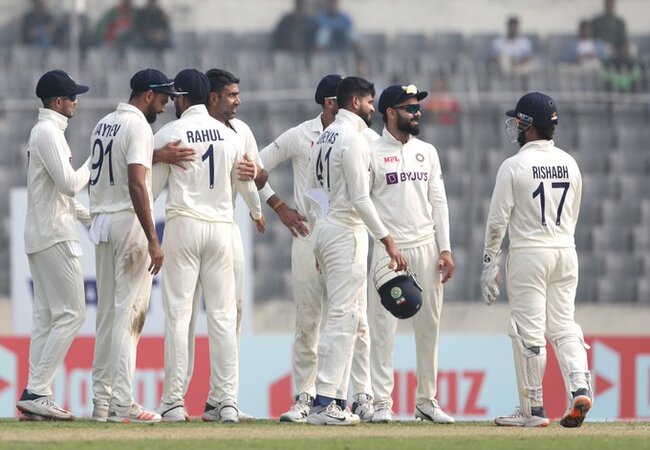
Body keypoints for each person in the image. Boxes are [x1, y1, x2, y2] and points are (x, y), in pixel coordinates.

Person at [258, 74, 375, 423]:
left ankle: (361, 396)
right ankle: (306, 396)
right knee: (309, 319)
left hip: (340, 231)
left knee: (357, 319)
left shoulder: (361, 137)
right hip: (309, 235)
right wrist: (279, 207)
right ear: (331, 103)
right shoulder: (301, 135)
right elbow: (253, 165)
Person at [152, 69, 264, 423]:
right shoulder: (230, 135)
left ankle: (173, 402)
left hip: (184, 226)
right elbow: (247, 181)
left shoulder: (170, 132)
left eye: (175, 97)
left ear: (184, 99)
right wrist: (257, 211)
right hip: (220, 228)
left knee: (179, 315)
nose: (172, 102)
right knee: (223, 317)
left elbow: (151, 188)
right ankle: (225, 402)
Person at [481, 92, 592, 428]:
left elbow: (498, 220)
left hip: (530, 253)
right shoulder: (570, 163)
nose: (515, 126)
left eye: (518, 121)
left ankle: (534, 410)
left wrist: (489, 264)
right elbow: (573, 214)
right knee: (564, 326)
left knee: (528, 332)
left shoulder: (513, 165)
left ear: (528, 126)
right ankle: (580, 388)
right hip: (565, 250)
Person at [304, 76, 406, 426]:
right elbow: (361, 199)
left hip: (327, 227)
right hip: (346, 230)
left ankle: (351, 399)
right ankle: (325, 402)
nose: (372, 107)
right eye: (367, 101)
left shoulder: (326, 135)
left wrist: (318, 236)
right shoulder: (354, 139)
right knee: (343, 318)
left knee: (355, 318)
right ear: (353, 102)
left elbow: (310, 190)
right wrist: (388, 240)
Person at [88, 68, 178, 423]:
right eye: (162, 97)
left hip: (102, 223)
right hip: (129, 224)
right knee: (130, 315)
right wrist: (154, 239)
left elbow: (121, 161)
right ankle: (124, 402)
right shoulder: (140, 126)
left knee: (108, 314)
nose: (166, 104)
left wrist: (156, 155)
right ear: (146, 95)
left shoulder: (104, 123)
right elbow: (137, 184)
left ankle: (102, 402)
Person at [367, 84, 455, 424]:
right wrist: (384, 241)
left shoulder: (427, 152)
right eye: (409, 108)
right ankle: (381, 403)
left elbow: (439, 203)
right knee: (382, 328)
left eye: (417, 108)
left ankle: (426, 401)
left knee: (429, 327)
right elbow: (363, 203)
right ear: (390, 112)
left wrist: (444, 248)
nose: (417, 113)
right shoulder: (372, 152)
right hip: (389, 252)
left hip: (426, 247)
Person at [15, 70, 91, 422]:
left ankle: (35, 395)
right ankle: (37, 391)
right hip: (54, 236)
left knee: (47, 317)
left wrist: (90, 218)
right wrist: (95, 162)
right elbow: (70, 184)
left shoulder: (46, 132)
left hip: (43, 233)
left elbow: (58, 193)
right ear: (58, 102)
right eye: (72, 97)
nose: (76, 101)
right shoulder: (47, 132)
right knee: (72, 313)